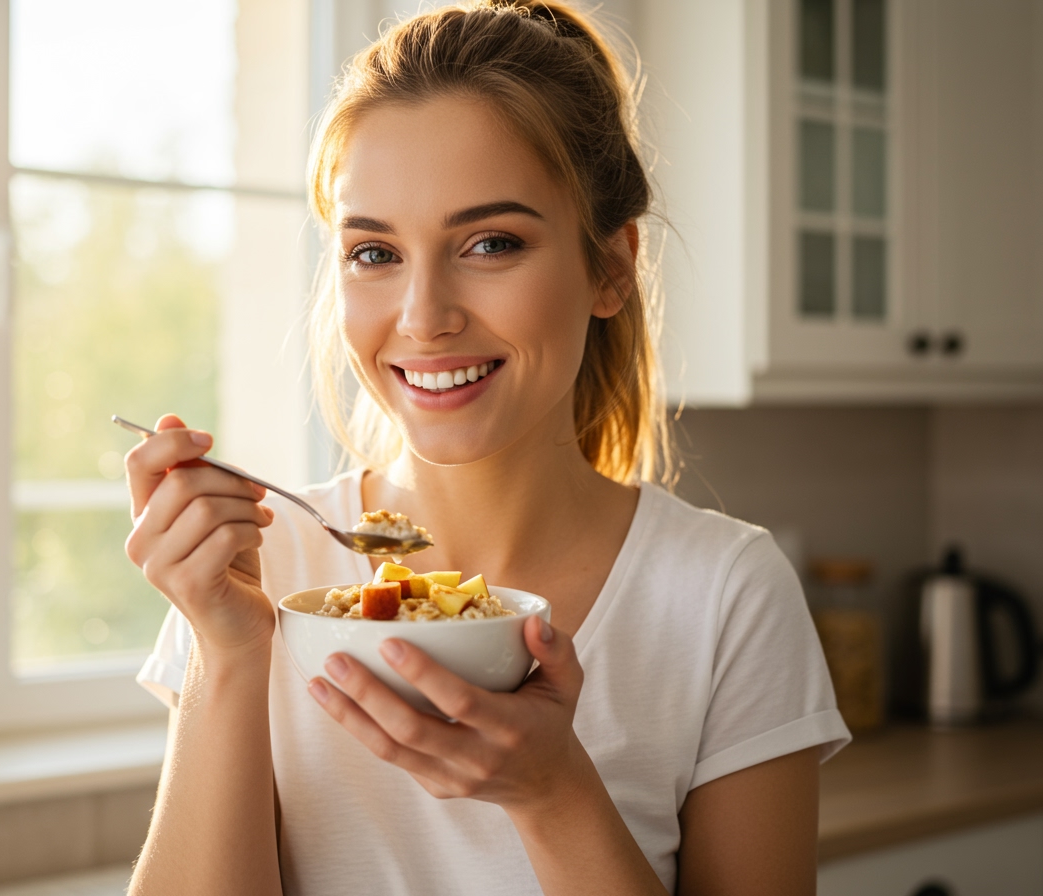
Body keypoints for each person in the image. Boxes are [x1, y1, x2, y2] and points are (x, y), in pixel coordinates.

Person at [124, 2, 849, 894]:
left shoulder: (724, 594)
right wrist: (227, 652)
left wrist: (554, 794)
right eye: (374, 252)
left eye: (490, 243)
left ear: (612, 268)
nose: (424, 318)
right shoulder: (257, 567)